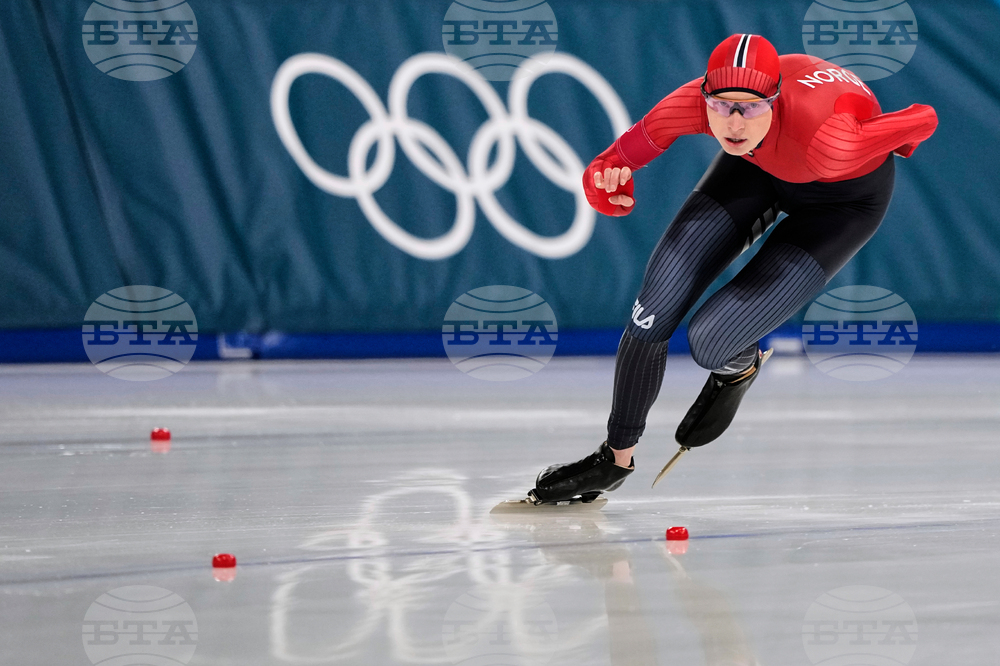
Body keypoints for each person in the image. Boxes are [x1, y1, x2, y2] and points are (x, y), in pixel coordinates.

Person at [528, 34, 938, 505]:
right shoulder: (692, 104)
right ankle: (614, 458)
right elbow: (613, 160)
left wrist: (896, 139)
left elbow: (924, 117)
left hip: (841, 201)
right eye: (721, 107)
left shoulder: (831, 139)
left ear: (776, 100)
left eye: (750, 107)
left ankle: (737, 370)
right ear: (704, 96)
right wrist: (602, 179)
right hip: (756, 169)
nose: (735, 123)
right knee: (652, 310)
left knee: (711, 340)